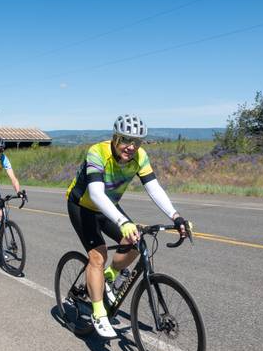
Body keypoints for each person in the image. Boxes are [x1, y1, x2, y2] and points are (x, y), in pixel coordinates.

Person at [65, 114, 188, 339]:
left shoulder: (140, 157)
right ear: (115, 137)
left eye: (137, 141)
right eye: (125, 140)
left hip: (108, 206)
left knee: (136, 240)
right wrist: (123, 222)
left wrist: (175, 216)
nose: (131, 147)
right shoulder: (97, 152)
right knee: (98, 256)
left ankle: (110, 275)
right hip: (82, 206)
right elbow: (95, 193)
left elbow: (154, 188)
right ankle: (99, 313)